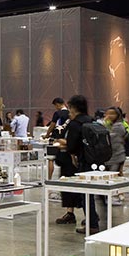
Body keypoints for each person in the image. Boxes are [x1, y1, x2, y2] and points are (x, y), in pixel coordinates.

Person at [56, 95, 99, 233]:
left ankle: (92, 225)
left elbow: (72, 146)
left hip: (83, 162)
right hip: (95, 161)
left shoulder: (75, 124)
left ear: (73, 107)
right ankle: (93, 219)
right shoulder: (91, 120)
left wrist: (63, 144)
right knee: (91, 194)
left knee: (86, 195)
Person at [45, 98, 70, 180]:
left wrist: (47, 135)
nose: (55, 108)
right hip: (65, 139)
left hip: (55, 138)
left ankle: (49, 178)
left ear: (57, 104)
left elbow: (52, 126)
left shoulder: (57, 113)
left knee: (51, 158)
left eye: (55, 106)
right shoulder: (70, 113)